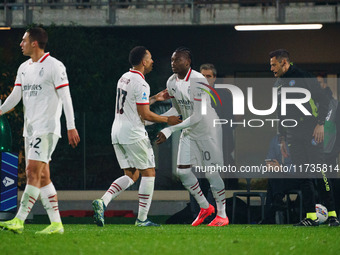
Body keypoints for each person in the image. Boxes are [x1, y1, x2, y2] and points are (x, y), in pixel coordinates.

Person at [0, 27, 80, 234]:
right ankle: (56, 224)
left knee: (31, 172)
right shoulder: (24, 67)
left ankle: (19, 220)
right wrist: (0, 110)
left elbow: (66, 98)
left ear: (34, 43)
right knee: (43, 177)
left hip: (46, 128)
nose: (20, 44)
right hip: (31, 129)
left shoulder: (55, 66)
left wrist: (71, 126)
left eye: (24, 40)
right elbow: (16, 96)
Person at [92, 46, 181, 227]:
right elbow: (145, 115)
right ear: (143, 62)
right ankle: (142, 219)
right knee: (149, 172)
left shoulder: (124, 77)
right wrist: (167, 119)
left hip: (117, 131)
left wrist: (155, 98)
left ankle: (103, 201)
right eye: (150, 58)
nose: (152, 61)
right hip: (133, 133)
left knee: (132, 175)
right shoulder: (141, 83)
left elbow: (134, 103)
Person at [157, 47, 228, 227]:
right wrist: (154, 121)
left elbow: (197, 116)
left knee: (211, 173)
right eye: (172, 60)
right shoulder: (171, 81)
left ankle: (222, 214)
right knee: (182, 172)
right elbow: (177, 110)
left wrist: (169, 130)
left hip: (207, 130)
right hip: (189, 131)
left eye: (177, 60)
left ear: (187, 62)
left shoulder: (198, 79)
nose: (173, 63)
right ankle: (205, 207)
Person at [269, 49, 339, 226]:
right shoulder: (278, 84)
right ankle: (311, 216)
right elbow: (281, 112)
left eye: (273, 65)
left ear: (284, 62)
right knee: (303, 176)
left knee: (320, 172)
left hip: (311, 132)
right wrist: (282, 138)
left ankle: (332, 215)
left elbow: (324, 101)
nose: (271, 68)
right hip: (293, 135)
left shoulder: (303, 76)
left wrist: (320, 124)